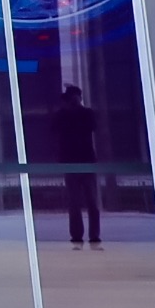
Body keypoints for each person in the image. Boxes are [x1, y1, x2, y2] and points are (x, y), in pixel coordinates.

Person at [51, 84, 102, 248]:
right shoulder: (75, 114)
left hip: (77, 162)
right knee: (82, 202)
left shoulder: (82, 114)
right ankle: (89, 235)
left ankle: (81, 235)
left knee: (83, 202)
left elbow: (56, 130)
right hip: (82, 161)